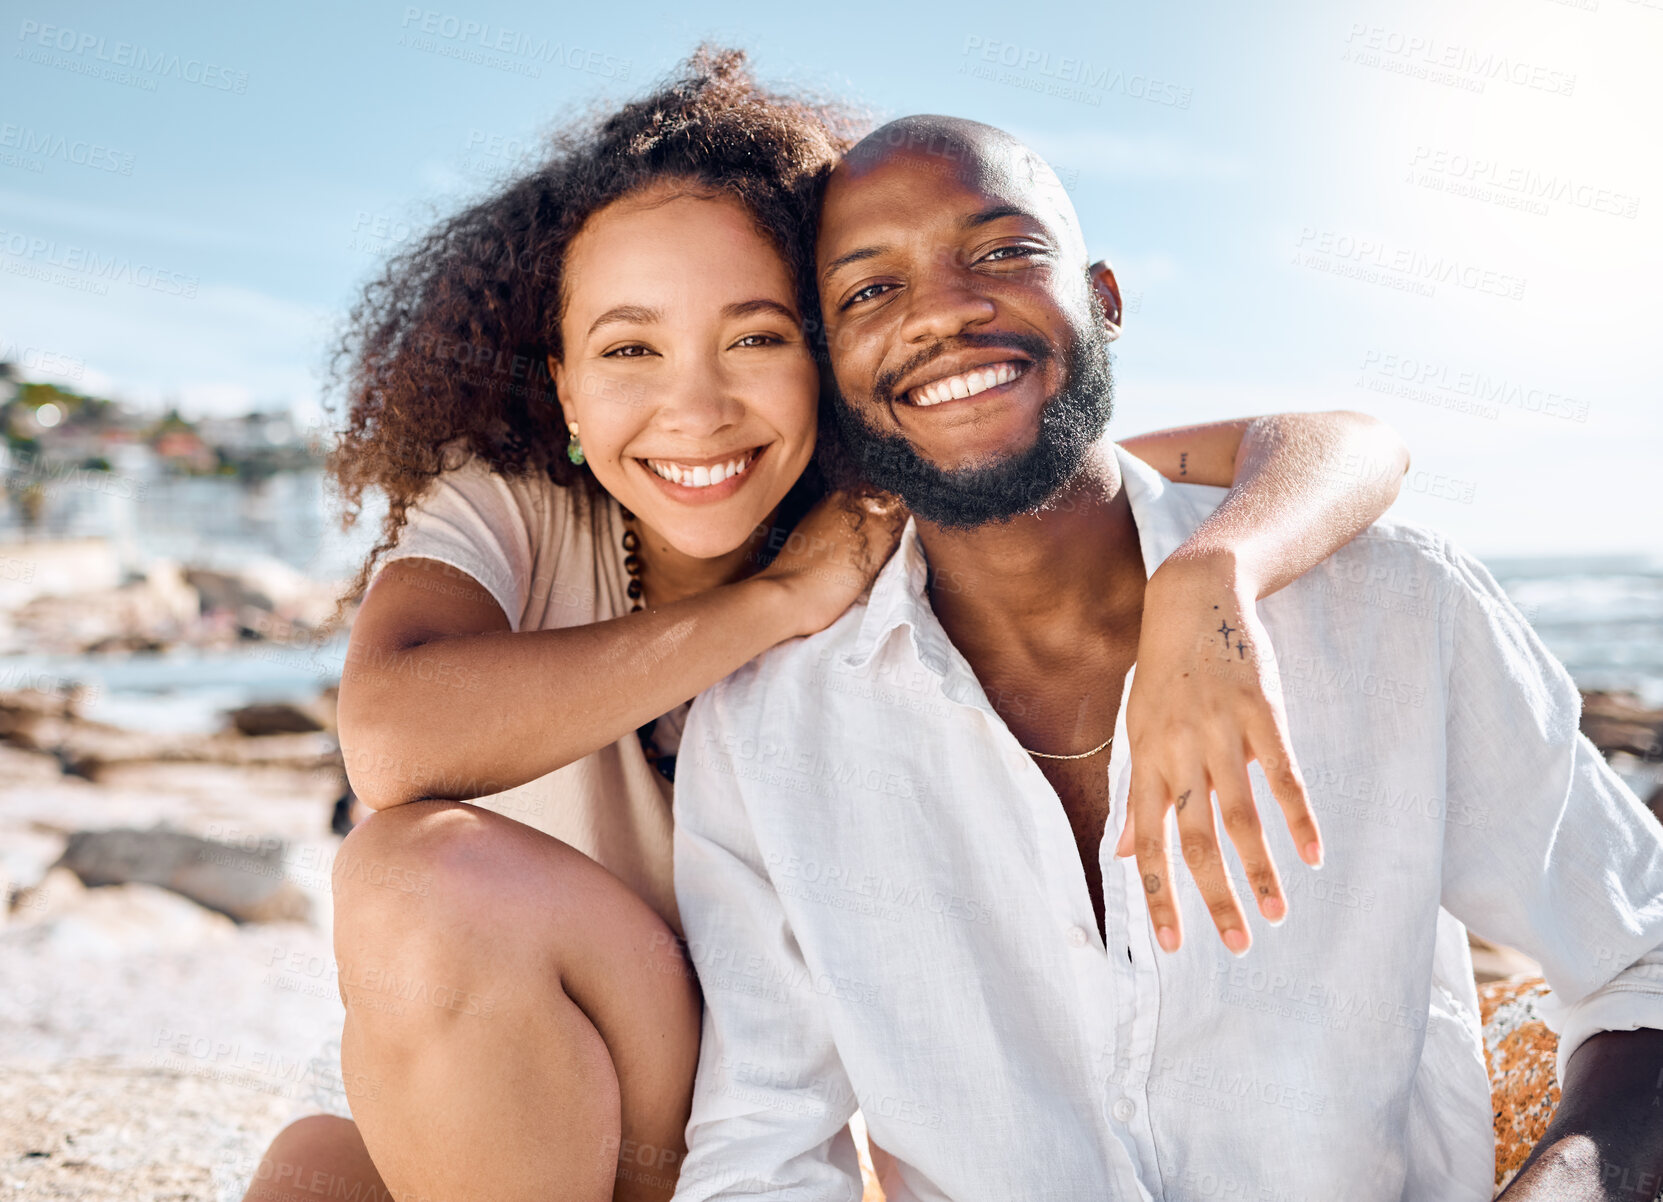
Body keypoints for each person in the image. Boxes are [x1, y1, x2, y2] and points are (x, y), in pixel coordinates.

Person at [242, 53, 1410, 1202]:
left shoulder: (901, 503)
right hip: (474, 1052)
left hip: (725, 1099)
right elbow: (392, 743)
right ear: (562, 388)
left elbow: (1340, 442)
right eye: (629, 348)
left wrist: (1213, 572)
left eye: (754, 336)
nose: (694, 408)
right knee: (375, 981)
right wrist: (776, 602)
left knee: (415, 876)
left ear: (827, 356)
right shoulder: (515, 509)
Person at [668, 115, 1663, 1202]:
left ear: (1103, 299)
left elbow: (1641, 954)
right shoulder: (766, 732)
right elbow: (759, 1150)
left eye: (1001, 251)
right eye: (868, 291)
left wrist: (1566, 1186)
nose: (945, 309)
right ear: (831, 367)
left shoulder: (1392, 607)